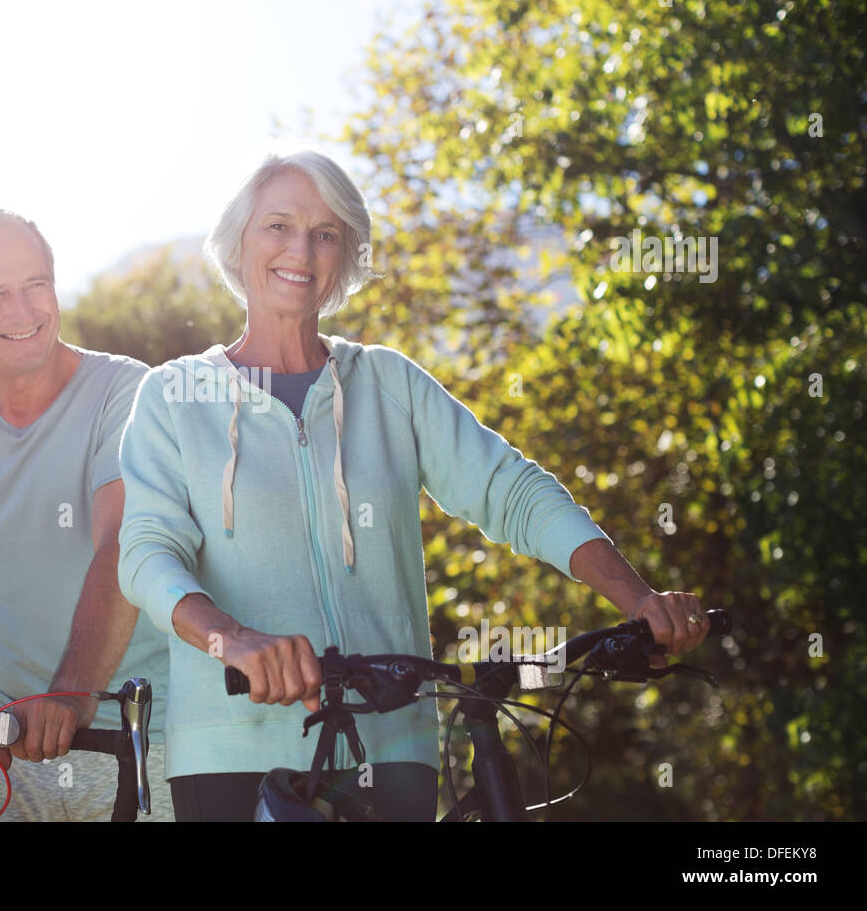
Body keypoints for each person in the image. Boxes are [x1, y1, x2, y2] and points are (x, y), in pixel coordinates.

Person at [116, 147, 712, 821]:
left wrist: (637, 599)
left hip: (393, 747)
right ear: (238, 242)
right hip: (232, 753)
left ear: (345, 255)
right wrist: (236, 641)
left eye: (326, 233)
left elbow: (512, 491)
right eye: (278, 226)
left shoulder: (387, 383)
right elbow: (147, 556)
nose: (302, 251)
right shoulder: (173, 396)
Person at [0, 208, 170, 821]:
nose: (23, 311)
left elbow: (120, 540)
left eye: (35, 284)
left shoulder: (127, 392)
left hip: (132, 742)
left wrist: (73, 694)